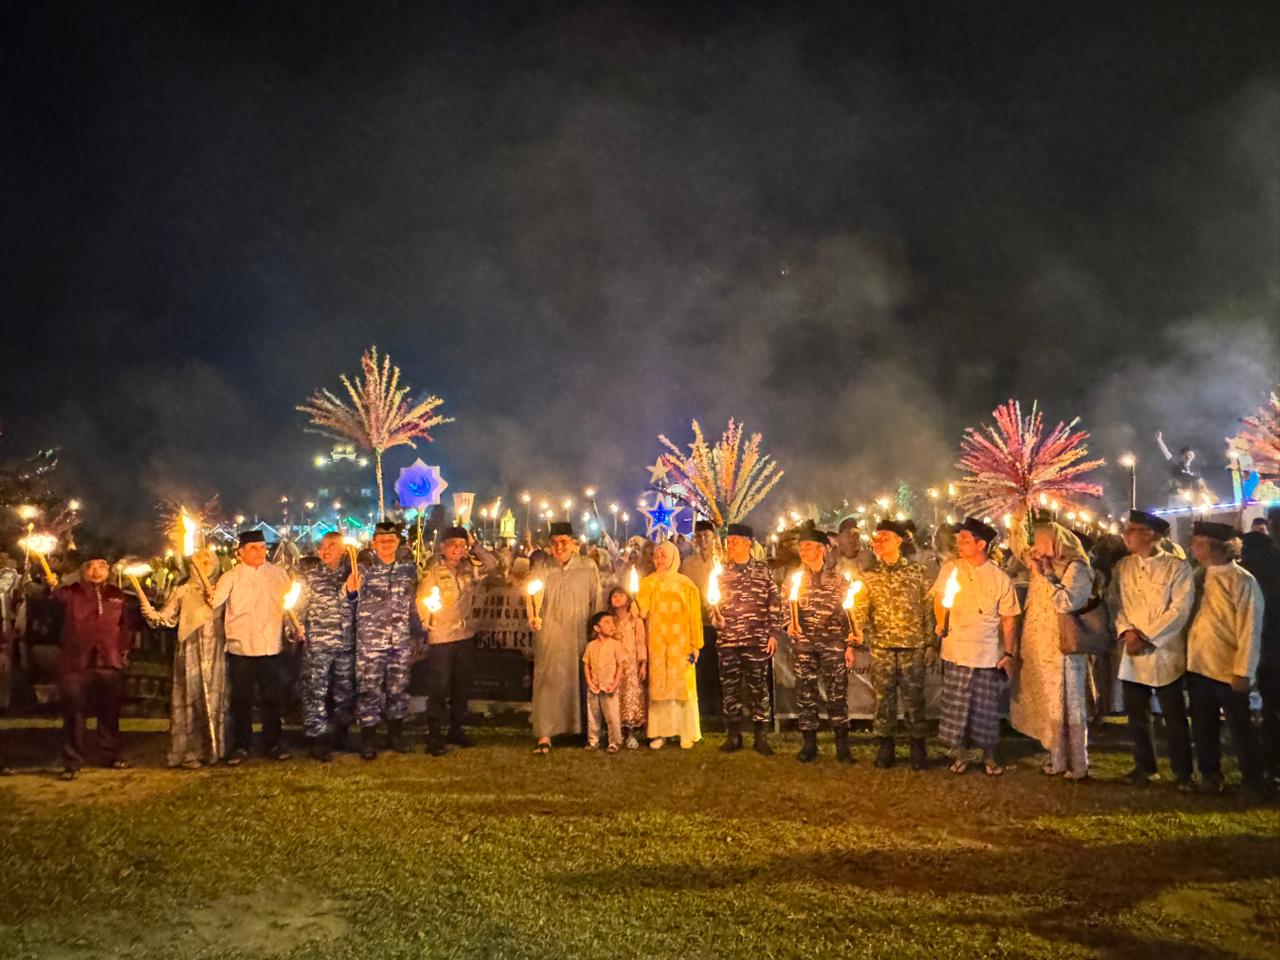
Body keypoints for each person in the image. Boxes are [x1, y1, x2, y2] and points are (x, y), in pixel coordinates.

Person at [1108, 510, 1195, 788]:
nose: (1126, 535)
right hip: (1133, 653)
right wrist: (1127, 632)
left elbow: (1179, 610)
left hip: (1164, 653)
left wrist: (1146, 636)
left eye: (1131, 530)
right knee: (1137, 717)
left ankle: (1183, 773)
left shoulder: (1177, 567)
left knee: (1174, 718)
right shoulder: (1124, 566)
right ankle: (1145, 767)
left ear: (1150, 535)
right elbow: (1117, 604)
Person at [1009, 516, 1095, 780]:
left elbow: (1067, 602)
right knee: (1051, 704)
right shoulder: (1041, 564)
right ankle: (1057, 759)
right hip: (1042, 647)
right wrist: (1019, 512)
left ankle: (1078, 765)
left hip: (1065, 647)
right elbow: (1017, 544)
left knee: (1071, 704)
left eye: (1040, 542)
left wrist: (1047, 577)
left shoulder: (1076, 568)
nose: (1034, 549)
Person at [933, 518, 1021, 776]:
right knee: (956, 707)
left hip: (985, 654)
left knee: (985, 708)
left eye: (965, 539)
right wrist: (940, 622)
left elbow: (1008, 619)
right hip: (956, 650)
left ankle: (989, 757)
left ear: (981, 544)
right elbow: (940, 600)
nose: (958, 543)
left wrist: (1008, 652)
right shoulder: (950, 570)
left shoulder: (999, 577)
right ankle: (960, 755)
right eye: (958, 538)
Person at [1186, 521, 1265, 795]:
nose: (1193, 546)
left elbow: (1249, 628)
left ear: (1212, 545)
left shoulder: (1242, 580)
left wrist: (1244, 670)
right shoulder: (1198, 576)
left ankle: (1253, 780)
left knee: (1240, 727)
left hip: (1228, 668)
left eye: (1197, 541)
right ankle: (1210, 775)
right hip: (1198, 665)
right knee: (1204, 726)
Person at [854, 519, 936, 770]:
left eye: (884, 538)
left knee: (914, 699)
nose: (877, 543)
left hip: (913, 646)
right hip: (882, 647)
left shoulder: (917, 572)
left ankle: (917, 747)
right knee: (883, 700)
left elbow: (928, 610)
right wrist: (856, 628)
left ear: (898, 541)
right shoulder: (868, 577)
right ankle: (885, 745)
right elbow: (860, 610)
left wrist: (931, 644)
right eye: (876, 539)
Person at [49, 554, 140, 780]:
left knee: (109, 712)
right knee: (74, 713)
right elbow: (50, 613)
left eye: (101, 566)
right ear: (82, 570)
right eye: (90, 566)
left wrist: (121, 650)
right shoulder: (68, 594)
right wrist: (50, 588)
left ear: (109, 569)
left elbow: (126, 627)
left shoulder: (118, 596)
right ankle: (73, 760)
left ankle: (110, 754)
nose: (96, 571)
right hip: (75, 662)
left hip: (108, 662)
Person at [137, 548, 227, 768]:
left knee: (217, 699)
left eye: (208, 561)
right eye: (199, 561)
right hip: (190, 651)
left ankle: (217, 748)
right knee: (192, 697)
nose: (204, 564)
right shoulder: (183, 591)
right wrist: (152, 614)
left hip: (216, 652)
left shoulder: (224, 590)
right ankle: (190, 751)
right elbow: (167, 618)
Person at [211, 530, 294, 765]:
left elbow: (289, 606)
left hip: (271, 647)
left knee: (272, 699)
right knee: (242, 700)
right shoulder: (231, 577)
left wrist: (292, 627)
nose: (260, 552)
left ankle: (273, 743)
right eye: (253, 548)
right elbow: (214, 603)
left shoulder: (278, 574)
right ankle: (241, 745)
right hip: (241, 649)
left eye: (262, 547)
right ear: (240, 553)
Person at [417, 526, 498, 756]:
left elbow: (494, 566)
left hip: (465, 636)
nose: (457, 549)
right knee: (440, 688)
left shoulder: (469, 568)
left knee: (462, 687)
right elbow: (422, 598)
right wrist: (425, 619)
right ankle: (435, 736)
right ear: (443, 547)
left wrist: (475, 546)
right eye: (453, 545)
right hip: (441, 637)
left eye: (462, 545)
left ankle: (457, 729)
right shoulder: (433, 570)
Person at [530, 522, 601, 754]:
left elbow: (596, 601)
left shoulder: (588, 567)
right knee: (548, 680)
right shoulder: (542, 568)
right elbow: (531, 597)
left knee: (579, 679)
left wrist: (596, 631)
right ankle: (545, 733)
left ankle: (579, 728)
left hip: (579, 632)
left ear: (573, 543)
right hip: (550, 632)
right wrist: (533, 617)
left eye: (564, 542)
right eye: (554, 543)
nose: (559, 547)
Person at [352, 521, 420, 760]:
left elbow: (414, 603)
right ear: (373, 543)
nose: (387, 544)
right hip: (371, 642)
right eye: (382, 541)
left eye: (391, 540)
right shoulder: (362, 570)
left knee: (398, 690)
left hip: (399, 640)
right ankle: (368, 740)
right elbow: (350, 597)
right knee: (369, 690)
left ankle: (395, 736)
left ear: (398, 542)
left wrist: (418, 632)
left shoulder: (408, 570)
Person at [785, 529, 853, 763]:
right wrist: (788, 625)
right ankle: (809, 743)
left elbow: (849, 613)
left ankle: (842, 744)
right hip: (804, 645)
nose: (803, 551)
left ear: (822, 549)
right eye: (801, 547)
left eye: (808, 546)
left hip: (832, 643)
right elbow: (787, 607)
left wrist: (849, 645)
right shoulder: (795, 579)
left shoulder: (839, 578)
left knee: (837, 694)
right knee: (806, 693)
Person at [715, 523, 780, 756]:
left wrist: (772, 633)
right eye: (728, 541)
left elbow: (774, 603)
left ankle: (760, 735)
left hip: (756, 638)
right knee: (730, 687)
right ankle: (733, 734)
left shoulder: (763, 571)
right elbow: (713, 603)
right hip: (729, 638)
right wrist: (715, 617)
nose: (729, 545)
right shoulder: (721, 572)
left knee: (758, 687)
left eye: (734, 541)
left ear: (747, 544)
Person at [294, 532, 359, 762]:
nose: (326, 550)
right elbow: (295, 609)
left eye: (332, 545)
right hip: (318, 645)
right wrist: (295, 628)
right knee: (315, 692)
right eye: (322, 546)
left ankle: (342, 733)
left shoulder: (353, 574)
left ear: (343, 549)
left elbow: (359, 606)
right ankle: (317, 737)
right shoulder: (309, 578)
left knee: (345, 692)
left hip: (345, 643)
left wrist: (353, 591)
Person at [636, 540, 703, 750]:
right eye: (656, 556)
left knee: (682, 686)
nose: (659, 559)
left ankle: (686, 732)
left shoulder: (686, 584)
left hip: (681, 643)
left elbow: (694, 616)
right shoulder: (648, 583)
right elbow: (642, 611)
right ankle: (660, 732)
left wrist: (696, 644)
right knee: (660, 687)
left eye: (663, 555)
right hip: (657, 643)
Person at [1239, 528, 1280, 788]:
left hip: (1269, 648)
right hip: (1270, 648)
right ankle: (1272, 766)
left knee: (1272, 712)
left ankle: (1272, 767)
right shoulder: (1258, 563)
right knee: (1272, 712)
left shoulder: (1256, 564)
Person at [681, 520, 722, 718]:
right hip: (698, 622)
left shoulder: (722, 561)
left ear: (714, 537)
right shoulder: (688, 564)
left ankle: (720, 708)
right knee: (701, 666)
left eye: (707, 535)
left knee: (720, 666)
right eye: (699, 536)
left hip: (720, 622)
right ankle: (703, 708)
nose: (703, 540)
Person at [606, 586, 647, 748]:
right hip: (614, 666)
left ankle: (632, 733)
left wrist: (643, 664)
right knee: (616, 697)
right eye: (614, 595)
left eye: (621, 595)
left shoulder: (635, 621)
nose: (617, 598)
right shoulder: (610, 621)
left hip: (632, 666)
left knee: (632, 696)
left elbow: (641, 643)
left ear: (628, 599)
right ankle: (617, 732)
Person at [582, 611, 624, 752]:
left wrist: (615, 684)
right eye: (607, 622)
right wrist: (589, 682)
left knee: (612, 716)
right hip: (594, 687)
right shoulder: (591, 646)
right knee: (593, 715)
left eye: (612, 622)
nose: (611, 625)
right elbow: (586, 665)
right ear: (597, 628)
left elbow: (621, 666)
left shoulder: (615, 645)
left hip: (609, 687)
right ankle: (593, 741)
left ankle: (614, 742)